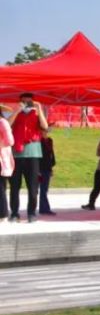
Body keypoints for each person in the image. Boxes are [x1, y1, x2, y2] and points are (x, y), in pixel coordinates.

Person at [9, 92, 48, 223]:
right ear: (20, 101)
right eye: (24, 101)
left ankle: (31, 212)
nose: (27, 103)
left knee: (32, 187)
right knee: (14, 186)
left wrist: (39, 109)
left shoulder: (37, 113)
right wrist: (17, 110)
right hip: (17, 154)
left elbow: (45, 127)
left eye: (29, 101)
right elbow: (7, 125)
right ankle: (14, 213)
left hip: (33, 154)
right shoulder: (15, 113)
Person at [38, 128, 56, 215]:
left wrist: (51, 167)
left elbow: (51, 154)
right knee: (42, 189)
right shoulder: (38, 141)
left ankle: (43, 208)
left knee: (44, 189)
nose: (45, 132)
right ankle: (44, 208)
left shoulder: (49, 140)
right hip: (40, 168)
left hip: (47, 167)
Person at [0, 106, 13, 220]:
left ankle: (3, 213)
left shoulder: (2, 122)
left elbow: (10, 141)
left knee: (1, 187)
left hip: (1, 158)